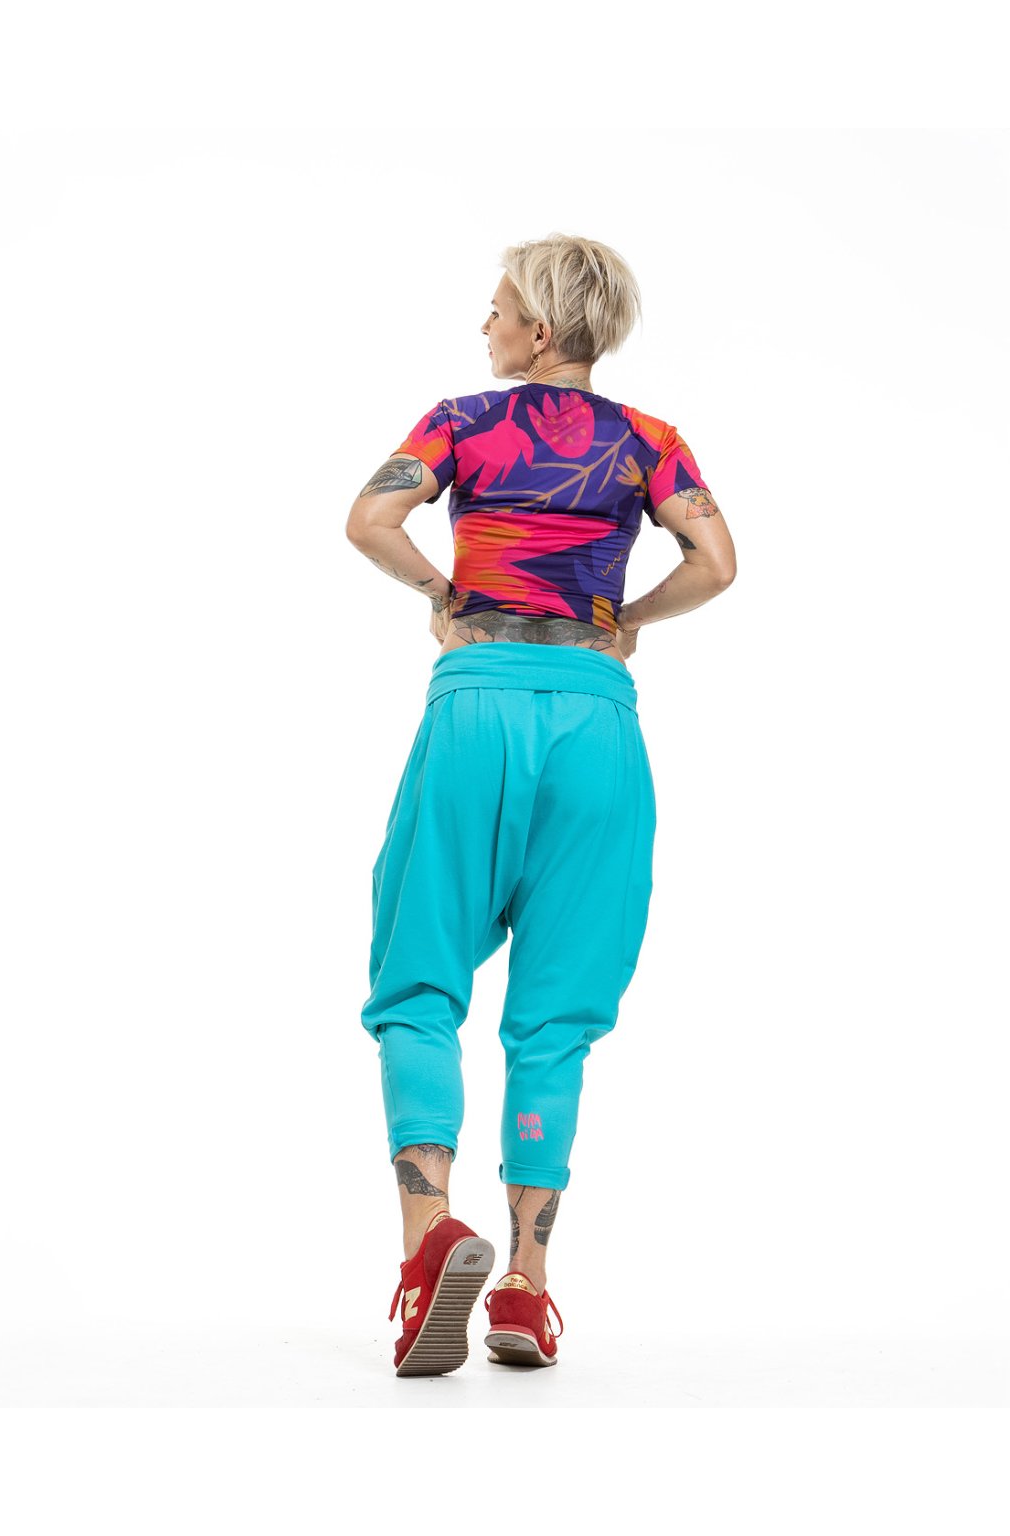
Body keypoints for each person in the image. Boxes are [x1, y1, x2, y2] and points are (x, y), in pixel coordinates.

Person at [346, 233, 736, 1377]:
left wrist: (443, 593)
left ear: (542, 331)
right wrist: (628, 623)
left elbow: (368, 520)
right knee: (557, 1015)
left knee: (418, 980)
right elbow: (716, 562)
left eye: (500, 309)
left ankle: (428, 1243)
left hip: (477, 705)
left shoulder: (461, 422)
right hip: (596, 723)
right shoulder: (649, 442)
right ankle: (524, 1282)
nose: (486, 326)